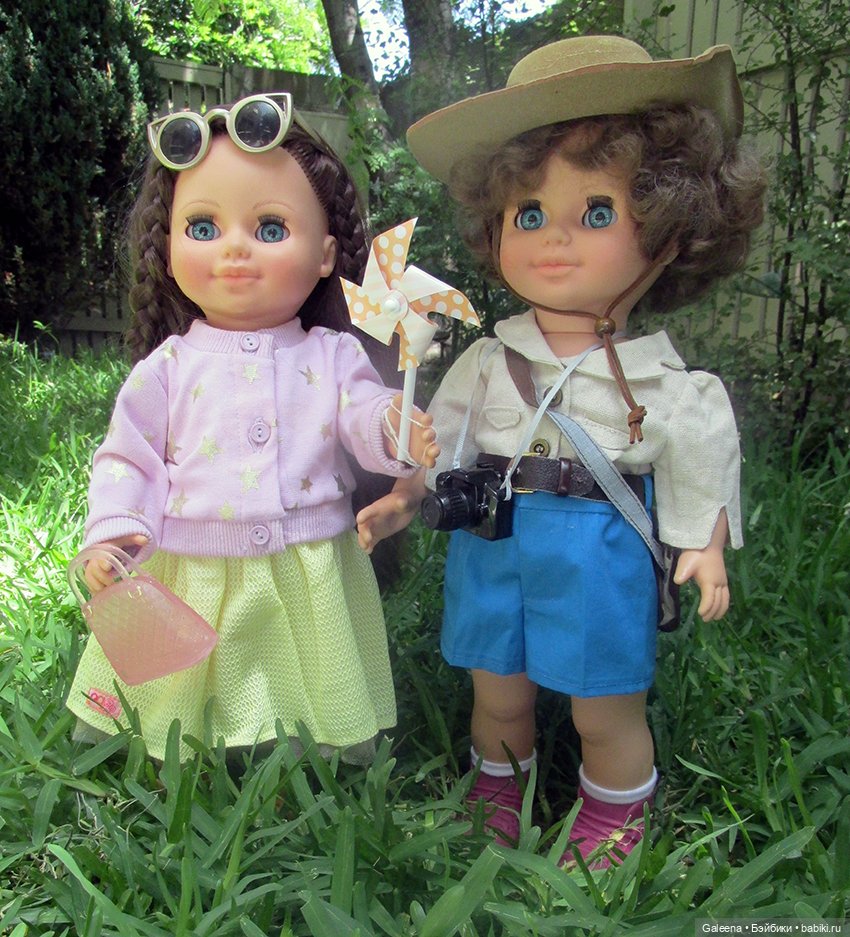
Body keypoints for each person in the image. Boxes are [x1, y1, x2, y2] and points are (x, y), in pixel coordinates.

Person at [357, 36, 765, 864]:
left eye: (598, 213)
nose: (555, 239)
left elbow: (698, 452)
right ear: (494, 225)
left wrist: (705, 542)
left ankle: (615, 808)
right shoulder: (488, 357)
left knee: (604, 701)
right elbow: (446, 435)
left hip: (598, 548)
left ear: (672, 230)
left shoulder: (663, 381)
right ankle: (498, 785)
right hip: (493, 537)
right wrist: (407, 492)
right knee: (497, 685)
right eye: (529, 214)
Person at [66, 93, 439, 763]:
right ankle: (187, 742)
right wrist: (116, 531)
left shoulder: (332, 354)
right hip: (193, 560)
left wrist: (392, 424)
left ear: (325, 255)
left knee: (307, 670)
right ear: (169, 246)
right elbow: (127, 456)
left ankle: (306, 738)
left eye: (270, 228)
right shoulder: (169, 367)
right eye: (202, 227)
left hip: (307, 560)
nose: (234, 248)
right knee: (188, 684)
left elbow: (359, 411)